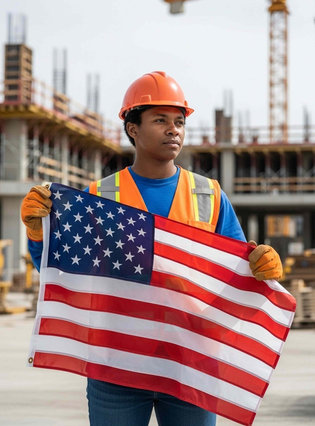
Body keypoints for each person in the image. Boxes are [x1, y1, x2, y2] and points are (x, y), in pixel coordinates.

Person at [21, 71, 283, 426]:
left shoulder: (208, 194)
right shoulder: (101, 196)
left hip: (192, 362)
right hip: (118, 364)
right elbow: (62, 272)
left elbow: (235, 271)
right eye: (160, 120)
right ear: (133, 128)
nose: (173, 129)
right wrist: (38, 233)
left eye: (178, 121)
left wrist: (262, 267)